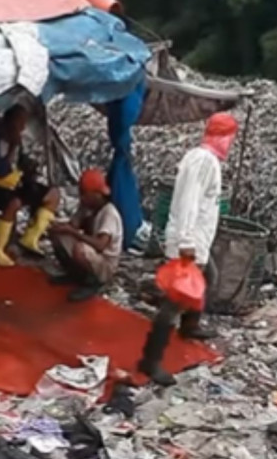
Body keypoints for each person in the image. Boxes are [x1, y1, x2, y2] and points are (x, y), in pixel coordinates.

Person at [139, 112, 239, 387]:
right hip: (189, 241)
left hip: (197, 240)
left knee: (210, 278)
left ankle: (190, 326)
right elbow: (188, 202)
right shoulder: (203, 162)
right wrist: (185, 242)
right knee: (173, 304)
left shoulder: (206, 160)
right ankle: (151, 360)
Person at [0, 105, 61, 266]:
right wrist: (12, 147)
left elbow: (21, 164)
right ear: (8, 122)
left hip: (15, 183)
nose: (22, 128)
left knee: (53, 195)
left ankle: (30, 238)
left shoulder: (17, 139)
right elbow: (1, 170)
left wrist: (30, 166)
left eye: (24, 123)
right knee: (13, 203)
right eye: (19, 123)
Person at [49, 168, 123, 302]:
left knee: (80, 249)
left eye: (84, 194)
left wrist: (73, 232)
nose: (81, 197)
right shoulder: (89, 207)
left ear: (96, 195)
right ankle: (74, 275)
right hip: (93, 254)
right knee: (58, 235)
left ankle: (92, 283)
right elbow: (73, 225)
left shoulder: (109, 214)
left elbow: (100, 245)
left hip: (104, 263)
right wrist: (76, 217)